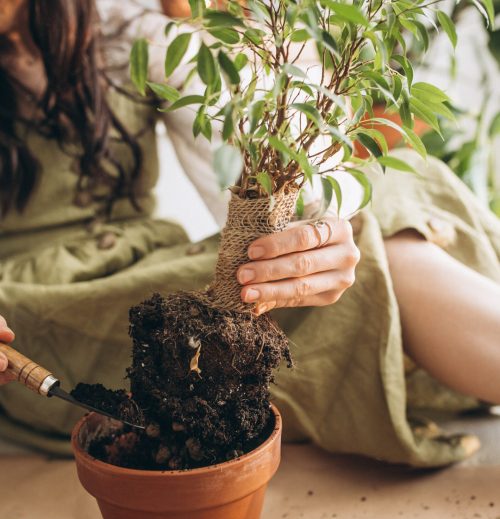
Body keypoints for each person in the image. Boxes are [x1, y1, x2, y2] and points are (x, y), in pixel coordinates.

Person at [0, 0, 499, 467]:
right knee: (379, 249)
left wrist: (323, 227)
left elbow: (251, 158)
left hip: (147, 261)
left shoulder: (116, 21)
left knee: (383, 198)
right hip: (38, 317)